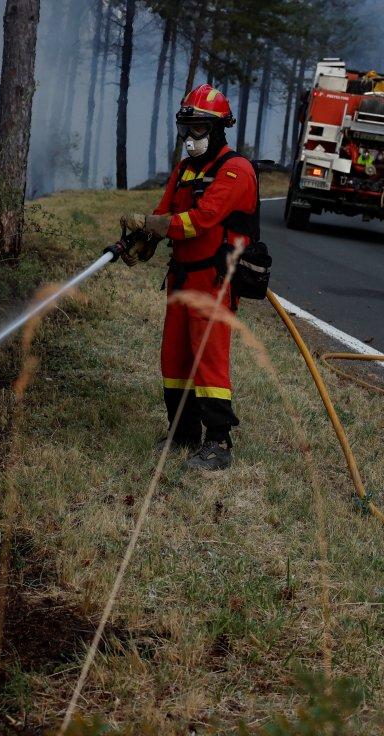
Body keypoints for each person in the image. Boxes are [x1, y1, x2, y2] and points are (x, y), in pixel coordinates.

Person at [120, 84, 258, 471]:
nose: (191, 138)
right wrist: (143, 236)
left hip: (215, 281)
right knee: (175, 357)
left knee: (208, 361)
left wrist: (156, 224)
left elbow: (199, 221)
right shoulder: (183, 171)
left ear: (217, 129)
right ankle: (182, 433)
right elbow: (165, 211)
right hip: (181, 278)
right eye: (186, 129)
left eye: (198, 129)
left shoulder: (235, 170)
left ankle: (218, 443)